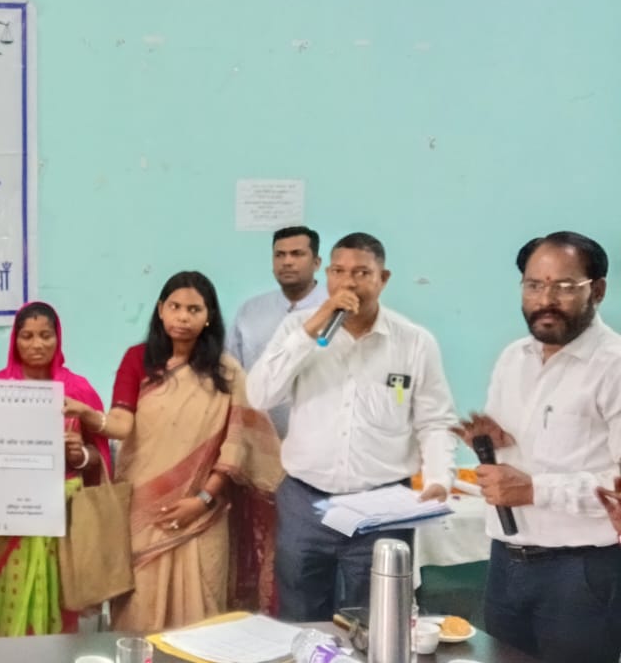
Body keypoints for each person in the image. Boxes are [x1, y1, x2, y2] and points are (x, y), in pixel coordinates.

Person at [247, 232, 456, 622]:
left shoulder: (414, 342)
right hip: (306, 503)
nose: (348, 282)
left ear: (383, 278)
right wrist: (310, 331)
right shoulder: (299, 329)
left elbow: (435, 420)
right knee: (301, 618)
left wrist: (439, 478)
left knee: (377, 620)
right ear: (326, 275)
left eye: (361, 272)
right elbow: (260, 395)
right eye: (339, 272)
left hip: (381, 508)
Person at [66, 273, 282, 631]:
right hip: (143, 511)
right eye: (175, 307)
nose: (183, 317)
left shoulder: (226, 372)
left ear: (209, 316)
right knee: (139, 611)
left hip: (204, 513)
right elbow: (122, 425)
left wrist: (202, 499)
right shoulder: (138, 359)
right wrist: (91, 416)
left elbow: (236, 446)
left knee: (202, 616)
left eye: (194, 309)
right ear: (160, 310)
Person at [453, 232, 621, 663]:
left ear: (597, 290)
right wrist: (494, 444)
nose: (546, 300)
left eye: (564, 286)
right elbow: (532, 455)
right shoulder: (513, 358)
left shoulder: (614, 366)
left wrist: (534, 490)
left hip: (582, 572)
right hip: (505, 562)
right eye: (533, 285)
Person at [0, 301, 114, 637]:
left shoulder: (77, 390)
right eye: (27, 336)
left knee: (56, 599)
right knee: (6, 599)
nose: (37, 344)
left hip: (62, 515)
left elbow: (100, 456)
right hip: (9, 518)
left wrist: (78, 456)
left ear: (58, 338)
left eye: (45, 335)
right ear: (15, 341)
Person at [226, 226, 328, 437]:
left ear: (317, 263)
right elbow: (231, 371)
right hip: (258, 436)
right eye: (279, 255)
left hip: (321, 437)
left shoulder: (336, 312)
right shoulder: (250, 311)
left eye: (297, 254)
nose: (287, 262)